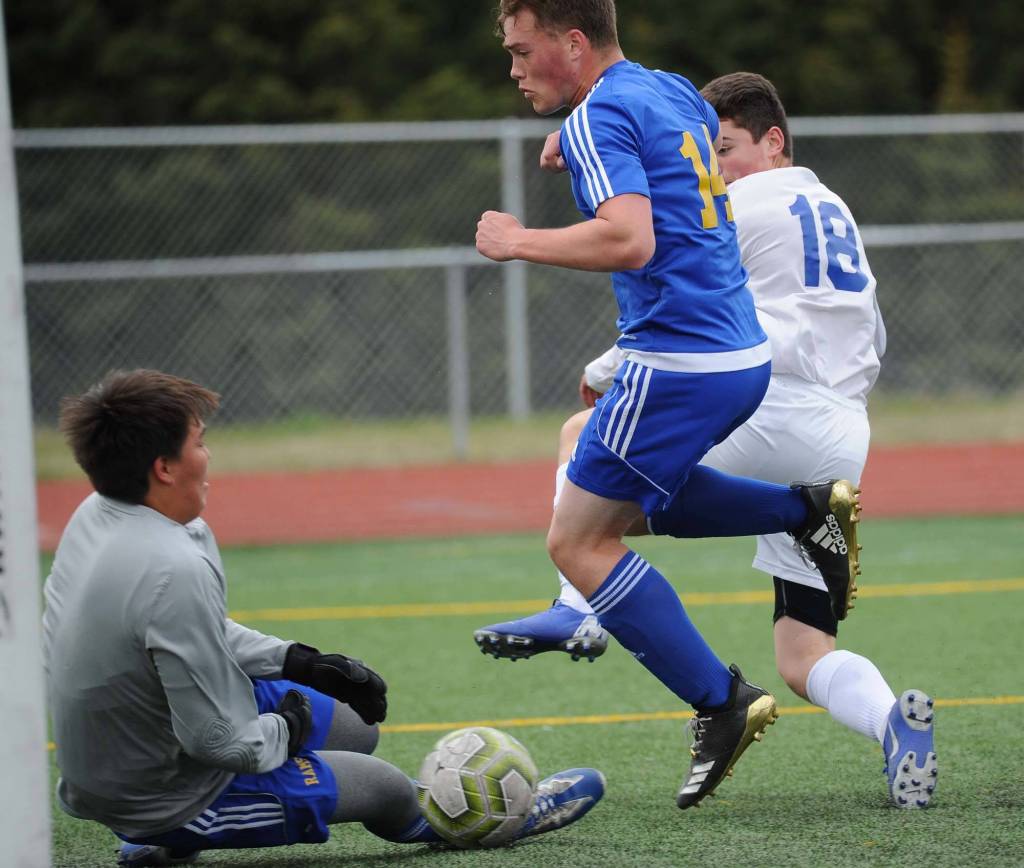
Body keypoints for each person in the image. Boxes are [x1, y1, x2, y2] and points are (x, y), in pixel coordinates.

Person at [476, 72, 937, 809]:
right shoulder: (835, 209)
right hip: (845, 427)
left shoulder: (738, 199)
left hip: (760, 406)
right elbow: (869, 331)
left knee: (586, 473)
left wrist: (602, 369)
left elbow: (684, 282)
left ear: (773, 140)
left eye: (722, 149)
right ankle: (893, 727)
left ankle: (578, 606)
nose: (711, 166)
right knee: (801, 651)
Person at [42, 369, 605, 868]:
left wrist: (299, 662)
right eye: (200, 442)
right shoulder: (172, 564)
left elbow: (190, 637)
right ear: (164, 467)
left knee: (357, 729)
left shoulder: (99, 514)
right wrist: (284, 729)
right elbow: (220, 742)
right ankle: (159, 837)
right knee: (386, 789)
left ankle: (176, 824)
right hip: (164, 794)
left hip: (132, 743)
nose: (209, 456)